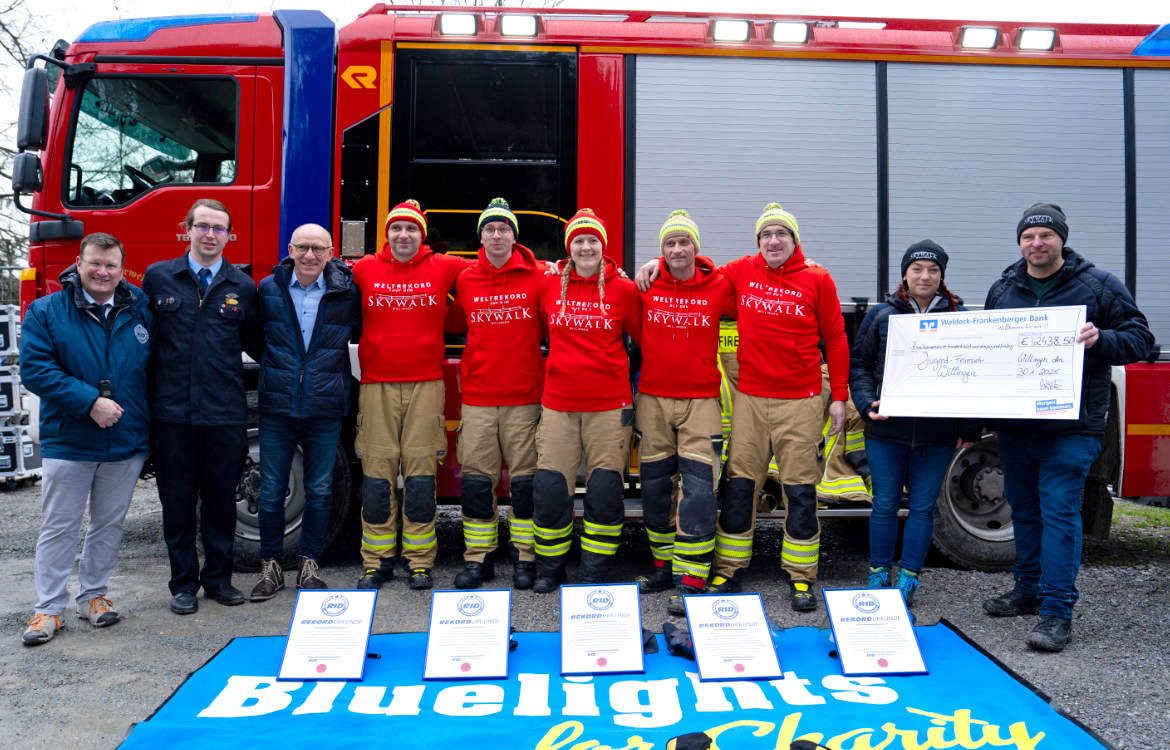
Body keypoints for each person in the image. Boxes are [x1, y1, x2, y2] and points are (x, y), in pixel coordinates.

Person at [982, 203, 1153, 651]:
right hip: (1017, 426)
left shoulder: (1098, 285)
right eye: (1028, 237)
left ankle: (1057, 611)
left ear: (1062, 239)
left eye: (1046, 235)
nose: (1037, 243)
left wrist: (1102, 340)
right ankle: (1028, 590)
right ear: (1020, 243)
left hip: (1071, 428)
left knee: (1059, 514)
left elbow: (1141, 339)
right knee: (1024, 511)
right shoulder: (1003, 288)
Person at [19, 233, 153, 644]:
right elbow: (35, 370)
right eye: (95, 263)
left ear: (122, 270)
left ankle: (93, 596)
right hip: (70, 439)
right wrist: (90, 402)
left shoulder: (140, 308)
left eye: (111, 265)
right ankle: (48, 609)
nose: (102, 272)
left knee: (108, 524)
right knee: (60, 525)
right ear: (78, 264)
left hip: (124, 439)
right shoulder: (46, 311)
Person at [143, 199, 261, 615]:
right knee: (176, 504)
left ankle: (218, 580)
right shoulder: (158, 278)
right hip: (172, 414)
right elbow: (142, 344)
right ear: (187, 229)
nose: (210, 234)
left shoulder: (243, 286)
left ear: (229, 235)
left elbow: (259, 345)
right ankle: (183, 585)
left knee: (220, 503)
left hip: (224, 414)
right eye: (203, 226)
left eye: (219, 228)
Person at [849, 240, 979, 607]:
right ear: (904, 274)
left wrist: (970, 427)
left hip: (937, 436)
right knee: (884, 505)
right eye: (917, 269)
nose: (925, 276)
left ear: (942, 277)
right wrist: (865, 403)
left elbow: (973, 374)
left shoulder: (959, 318)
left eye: (933, 270)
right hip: (886, 432)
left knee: (922, 508)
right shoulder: (881, 316)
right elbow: (859, 365)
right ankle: (878, 574)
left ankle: (909, 578)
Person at [351, 199, 471, 590]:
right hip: (376, 386)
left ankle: (419, 561)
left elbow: (492, 270)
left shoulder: (444, 266)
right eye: (396, 228)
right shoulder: (364, 268)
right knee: (377, 477)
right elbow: (314, 268)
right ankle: (377, 561)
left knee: (420, 478)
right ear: (386, 234)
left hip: (426, 385)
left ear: (422, 235)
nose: (404, 235)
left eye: (411, 229)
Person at [248, 224, 361, 600]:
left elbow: (358, 332)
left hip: (324, 406)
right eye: (303, 248)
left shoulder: (346, 292)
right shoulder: (269, 288)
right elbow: (256, 338)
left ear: (331, 253)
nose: (310, 255)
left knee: (319, 490)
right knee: (271, 491)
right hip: (278, 405)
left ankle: (309, 565)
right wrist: (283, 370)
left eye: (318, 249)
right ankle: (271, 567)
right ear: (290, 249)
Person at [532, 209, 641, 593]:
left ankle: (595, 570)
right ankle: (551, 567)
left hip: (609, 407)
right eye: (578, 240)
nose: (586, 247)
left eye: (593, 240)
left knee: (605, 490)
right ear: (569, 247)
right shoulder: (547, 283)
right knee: (550, 488)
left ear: (603, 246)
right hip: (559, 404)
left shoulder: (624, 289)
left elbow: (642, 338)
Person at [633, 210, 735, 615]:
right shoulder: (646, 285)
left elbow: (758, 278)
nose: (677, 249)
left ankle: (691, 577)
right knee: (655, 488)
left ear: (696, 247)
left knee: (699, 489)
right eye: (670, 244)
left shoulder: (719, 286)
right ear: (662, 251)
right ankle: (662, 568)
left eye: (684, 242)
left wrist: (805, 263)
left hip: (701, 401)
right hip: (653, 401)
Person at [447, 198, 545, 590]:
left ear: (514, 236)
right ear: (481, 237)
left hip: (524, 396)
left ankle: (526, 557)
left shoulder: (539, 276)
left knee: (525, 485)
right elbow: (454, 321)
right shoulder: (466, 279)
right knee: (476, 484)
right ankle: (479, 559)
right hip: (479, 398)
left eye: (504, 228)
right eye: (489, 229)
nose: (496, 235)